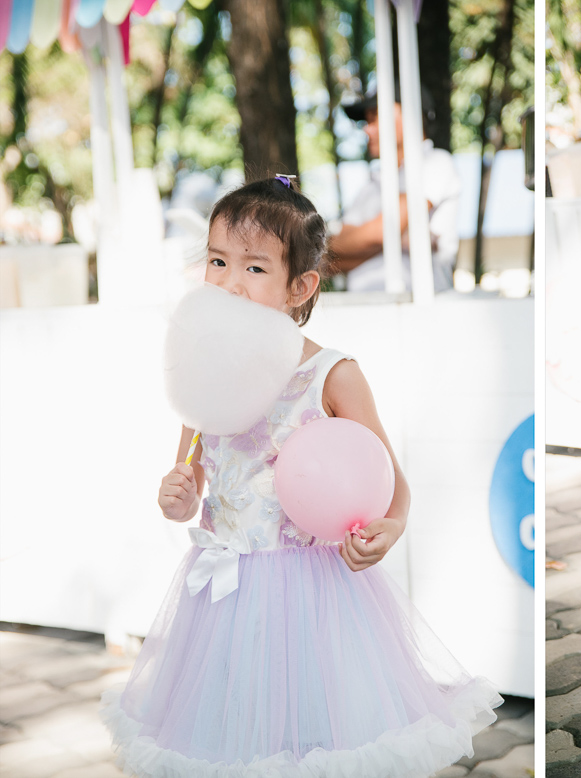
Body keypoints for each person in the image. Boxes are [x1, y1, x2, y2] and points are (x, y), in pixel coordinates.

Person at [100, 178, 501, 775]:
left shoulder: (330, 375)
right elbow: (191, 476)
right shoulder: (202, 371)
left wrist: (389, 528)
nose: (230, 282)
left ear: (300, 287)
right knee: (233, 738)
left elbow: (392, 482)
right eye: (217, 261)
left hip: (312, 600)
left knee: (313, 738)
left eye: (255, 268)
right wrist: (177, 498)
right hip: (223, 600)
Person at [330, 88, 461, 293]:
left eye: (375, 118)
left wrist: (375, 237)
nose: (367, 129)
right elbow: (331, 257)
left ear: (411, 116)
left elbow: (385, 228)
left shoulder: (436, 162)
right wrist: (402, 239)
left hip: (420, 307)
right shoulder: (371, 186)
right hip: (365, 308)